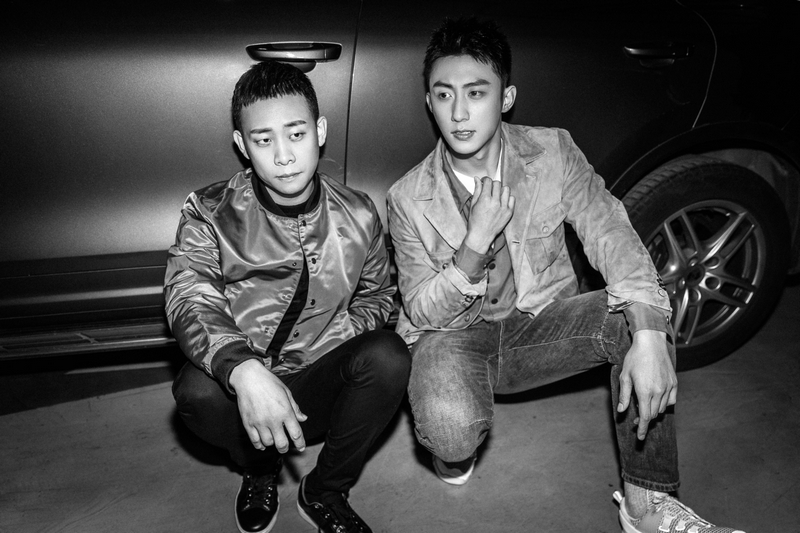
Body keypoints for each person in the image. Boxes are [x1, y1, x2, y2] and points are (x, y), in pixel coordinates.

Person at [387, 17, 744, 533]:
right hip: (453, 337)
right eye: (444, 95)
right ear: (429, 102)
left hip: (540, 329)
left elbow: (608, 228)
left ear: (506, 98)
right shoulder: (407, 197)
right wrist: (474, 244)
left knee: (639, 313)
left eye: (476, 93)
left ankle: (647, 506)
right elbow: (421, 310)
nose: (458, 113)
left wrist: (649, 333)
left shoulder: (552, 152)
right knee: (451, 430)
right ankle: (454, 447)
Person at [166, 59, 410, 533]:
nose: (283, 156)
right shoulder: (209, 211)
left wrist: (337, 334)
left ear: (319, 132)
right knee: (195, 392)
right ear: (242, 146)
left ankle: (324, 490)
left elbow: (379, 295)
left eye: (296, 134)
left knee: (389, 355)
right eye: (263, 140)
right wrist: (243, 370)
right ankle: (259, 467)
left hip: (319, 381)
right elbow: (189, 295)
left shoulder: (359, 213)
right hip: (243, 392)